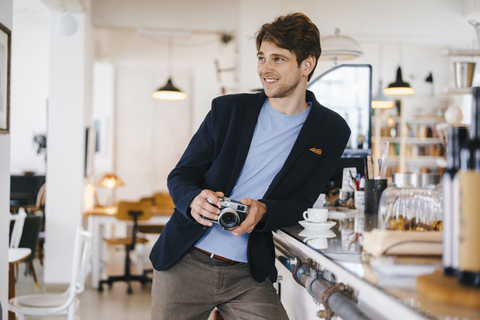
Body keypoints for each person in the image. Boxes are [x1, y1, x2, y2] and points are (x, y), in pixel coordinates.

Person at [149, 12, 351, 320]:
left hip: (248, 274)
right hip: (184, 263)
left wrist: (265, 212)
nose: (265, 69)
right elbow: (182, 174)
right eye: (261, 57)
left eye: (278, 59)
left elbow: (301, 201)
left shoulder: (332, 130)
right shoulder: (228, 110)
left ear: (306, 64)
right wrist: (192, 198)